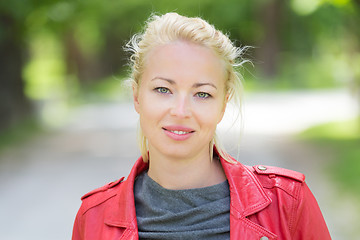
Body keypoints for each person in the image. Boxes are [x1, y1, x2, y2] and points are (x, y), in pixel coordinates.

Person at [72, 12, 331, 240]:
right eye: (163, 89)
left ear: (223, 104)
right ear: (137, 97)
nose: (181, 111)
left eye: (202, 94)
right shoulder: (93, 216)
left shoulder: (287, 202)